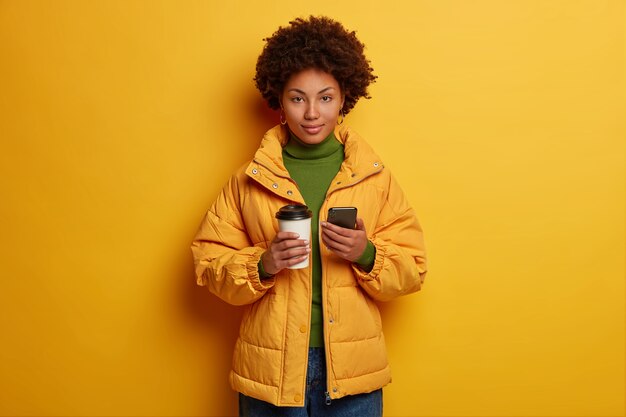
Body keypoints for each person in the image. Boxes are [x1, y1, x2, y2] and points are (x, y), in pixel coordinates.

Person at [191, 16, 427, 417]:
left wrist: (366, 253)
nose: (312, 112)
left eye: (326, 97)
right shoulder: (247, 180)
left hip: (354, 372)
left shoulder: (375, 178)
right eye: (298, 98)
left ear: (344, 98)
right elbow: (208, 264)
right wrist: (263, 263)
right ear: (278, 100)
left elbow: (414, 269)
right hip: (271, 371)